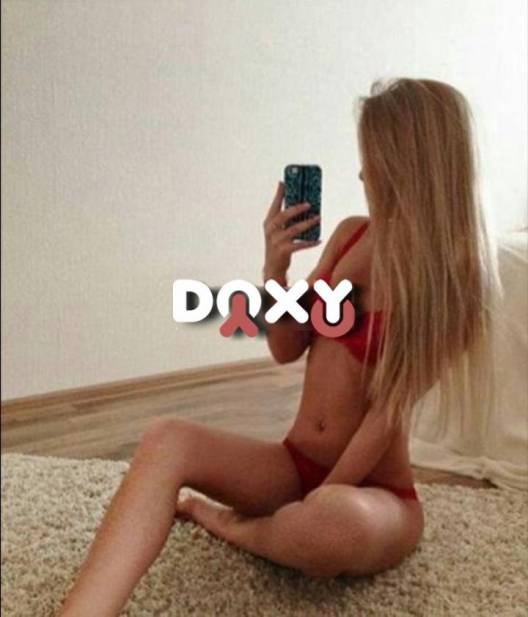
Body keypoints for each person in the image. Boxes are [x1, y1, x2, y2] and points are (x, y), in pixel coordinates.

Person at [57, 78, 498, 616]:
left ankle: (229, 524)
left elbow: (386, 416)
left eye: (371, 158)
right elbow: (287, 348)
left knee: (330, 522)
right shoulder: (351, 236)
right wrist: (275, 268)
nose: (362, 174)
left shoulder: (453, 281)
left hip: (374, 496)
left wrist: (320, 499)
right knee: (166, 438)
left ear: (407, 161)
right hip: (294, 464)